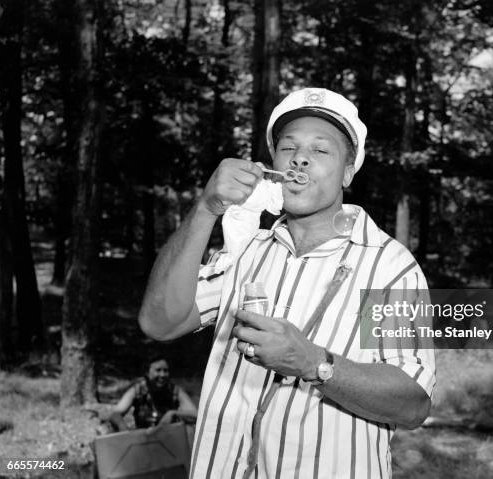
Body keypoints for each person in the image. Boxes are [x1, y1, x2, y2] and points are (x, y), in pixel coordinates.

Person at [138, 87, 435, 478]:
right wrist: (206, 208)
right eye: (287, 147)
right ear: (274, 164)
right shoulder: (247, 250)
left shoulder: (389, 265)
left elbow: (413, 404)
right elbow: (159, 322)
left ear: (348, 171)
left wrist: (314, 363)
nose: (300, 158)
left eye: (321, 149)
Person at [108, 355, 198, 431]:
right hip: (143, 438)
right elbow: (115, 414)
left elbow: (196, 414)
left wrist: (173, 413)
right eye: (158, 370)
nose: (162, 375)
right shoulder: (137, 389)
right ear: (147, 372)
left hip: (169, 438)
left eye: (165, 371)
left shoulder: (175, 391)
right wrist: (122, 427)